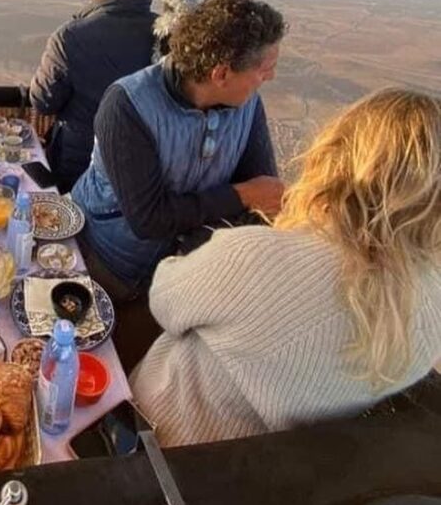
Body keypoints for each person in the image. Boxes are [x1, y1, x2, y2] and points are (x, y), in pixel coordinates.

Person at [131, 87, 441, 449]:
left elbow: (164, 301)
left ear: (337, 157)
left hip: (155, 441)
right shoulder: (430, 316)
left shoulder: (256, 258)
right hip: (259, 478)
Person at [72, 0, 285, 301]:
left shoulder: (247, 105)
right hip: (105, 261)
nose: (271, 76)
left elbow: (263, 193)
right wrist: (242, 195)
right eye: (264, 69)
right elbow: (149, 218)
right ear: (221, 73)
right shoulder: (128, 105)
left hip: (175, 274)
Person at [30, 0, 156, 191]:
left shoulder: (70, 37)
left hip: (78, 166)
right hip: (143, 167)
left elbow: (43, 101)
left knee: (73, 225)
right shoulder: (164, 35)